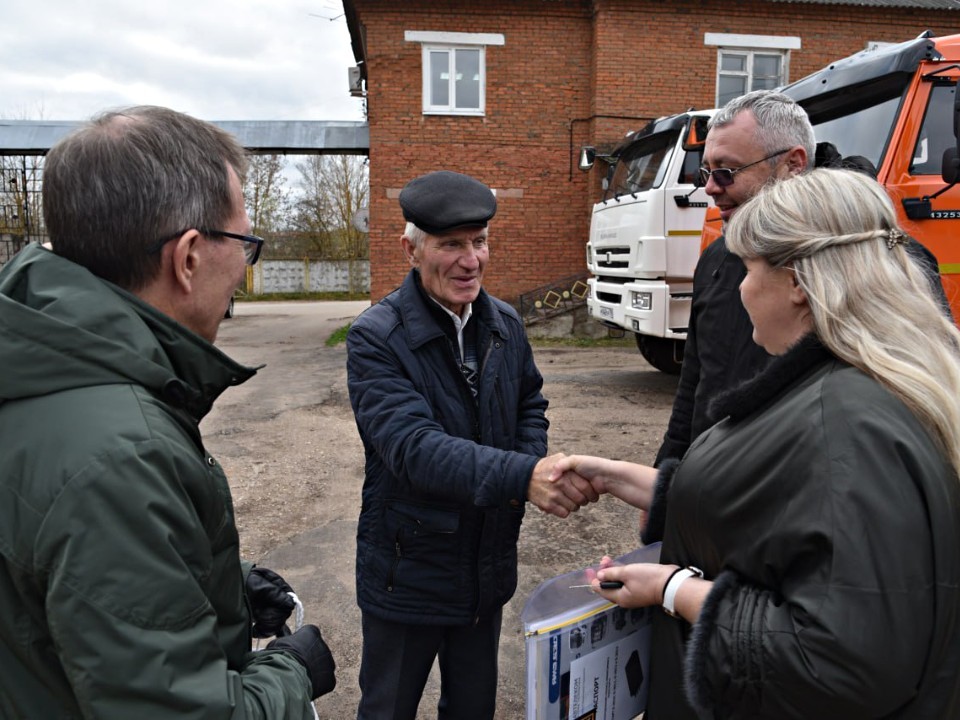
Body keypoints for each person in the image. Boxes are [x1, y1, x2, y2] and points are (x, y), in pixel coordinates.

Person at [553, 168, 960, 718]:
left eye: (746, 269)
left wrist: (674, 590)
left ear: (796, 282)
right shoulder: (861, 388)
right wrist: (634, 481)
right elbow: (785, 516)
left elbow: (839, 660)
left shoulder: (848, 425)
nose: (738, 289)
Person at [0, 106, 335, 719]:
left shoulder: (41, 371)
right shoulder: (121, 457)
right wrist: (291, 673)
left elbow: (69, 584)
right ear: (187, 258)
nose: (243, 267)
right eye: (245, 244)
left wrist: (222, 583)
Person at [346, 170, 595, 719]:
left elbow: (531, 402)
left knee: (472, 709)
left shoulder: (504, 323)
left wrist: (529, 463)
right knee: (388, 710)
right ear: (411, 248)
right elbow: (413, 448)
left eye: (479, 241)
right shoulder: (376, 337)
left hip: (483, 572)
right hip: (408, 573)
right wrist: (522, 478)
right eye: (451, 244)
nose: (471, 260)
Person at [654, 89, 948, 465]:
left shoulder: (882, 258)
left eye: (726, 172)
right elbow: (696, 381)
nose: (711, 188)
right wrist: (669, 468)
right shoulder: (716, 257)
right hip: (716, 489)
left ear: (793, 163)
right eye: (706, 172)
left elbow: (918, 401)